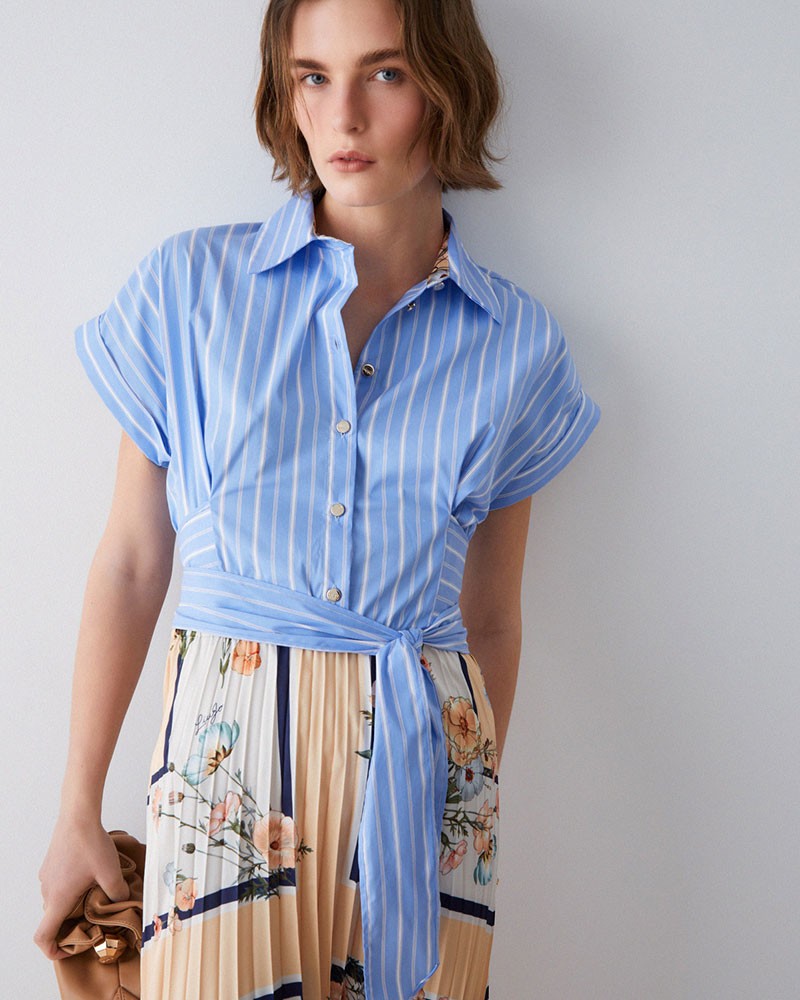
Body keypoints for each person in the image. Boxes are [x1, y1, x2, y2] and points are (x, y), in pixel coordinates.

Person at [35, 0, 600, 997]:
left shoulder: (516, 342)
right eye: (312, 76)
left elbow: (491, 619)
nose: (343, 116)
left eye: (385, 73)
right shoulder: (190, 290)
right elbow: (130, 561)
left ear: (447, 85)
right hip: (224, 782)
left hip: (425, 782)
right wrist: (76, 803)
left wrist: (457, 811)